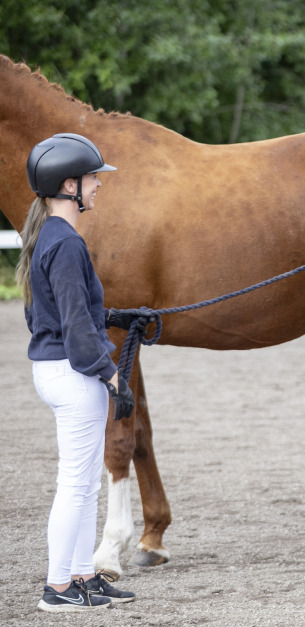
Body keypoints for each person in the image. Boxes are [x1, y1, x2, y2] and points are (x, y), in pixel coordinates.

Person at [17, 133, 140, 612]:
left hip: (59, 370)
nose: (97, 186)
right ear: (69, 185)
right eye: (92, 179)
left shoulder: (51, 236)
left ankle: (82, 575)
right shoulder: (65, 243)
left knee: (87, 480)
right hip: (71, 375)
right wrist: (111, 376)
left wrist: (115, 317)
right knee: (76, 483)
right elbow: (71, 323)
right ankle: (57, 588)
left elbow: (54, 311)